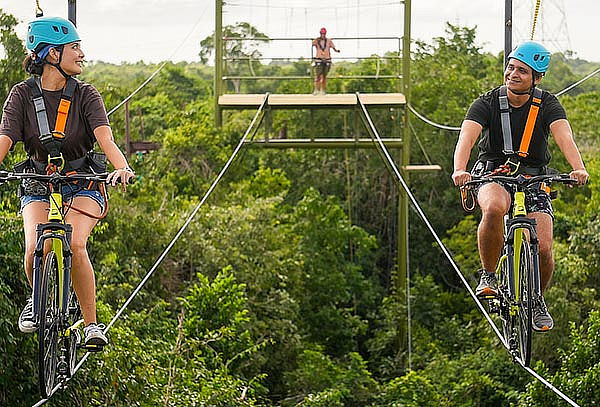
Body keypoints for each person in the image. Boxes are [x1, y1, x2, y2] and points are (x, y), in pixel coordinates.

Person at [0, 16, 135, 348]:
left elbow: (106, 139)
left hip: (83, 182)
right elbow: (4, 139)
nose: (82, 54)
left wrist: (121, 168)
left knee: (73, 244)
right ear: (51, 55)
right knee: (35, 247)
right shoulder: (21, 96)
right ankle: (37, 299)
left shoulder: (87, 95)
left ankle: (91, 324)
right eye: (74, 48)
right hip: (38, 182)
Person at [451, 41, 589, 332]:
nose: (513, 74)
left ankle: (537, 299)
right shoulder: (486, 102)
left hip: (534, 176)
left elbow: (564, 137)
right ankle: (489, 275)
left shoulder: (548, 104)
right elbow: (467, 138)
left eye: (522, 71)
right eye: (511, 67)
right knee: (493, 208)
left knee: (544, 247)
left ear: (536, 78)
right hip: (494, 172)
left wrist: (578, 168)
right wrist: (460, 170)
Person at [311, 27, 340, 95]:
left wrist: (337, 50)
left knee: (324, 76)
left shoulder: (329, 41)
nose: (323, 35)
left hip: (327, 59)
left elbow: (333, 48)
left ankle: (323, 90)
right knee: (318, 76)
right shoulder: (317, 41)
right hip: (319, 60)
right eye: (322, 33)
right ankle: (316, 90)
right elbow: (312, 43)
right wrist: (317, 39)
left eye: (324, 33)